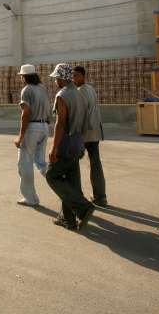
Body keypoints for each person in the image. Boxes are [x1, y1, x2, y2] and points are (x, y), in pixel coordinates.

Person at [45, 63, 95, 230]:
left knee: (52, 176)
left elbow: (60, 124)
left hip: (65, 143)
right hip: (78, 143)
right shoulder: (79, 93)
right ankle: (68, 219)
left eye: (56, 78)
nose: (55, 81)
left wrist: (54, 148)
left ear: (62, 78)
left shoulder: (63, 95)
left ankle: (83, 207)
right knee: (71, 183)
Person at [14, 64, 50, 206]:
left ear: (24, 76)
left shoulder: (26, 90)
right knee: (41, 163)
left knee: (25, 163)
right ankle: (60, 182)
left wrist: (20, 137)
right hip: (44, 126)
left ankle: (30, 198)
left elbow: (26, 115)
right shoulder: (42, 88)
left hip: (33, 128)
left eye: (21, 76)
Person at [72, 66, 107, 206]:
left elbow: (80, 115)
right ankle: (100, 196)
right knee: (95, 163)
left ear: (83, 76)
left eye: (76, 76)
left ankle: (78, 198)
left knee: (73, 165)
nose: (74, 78)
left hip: (84, 132)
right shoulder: (90, 88)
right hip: (95, 131)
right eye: (72, 76)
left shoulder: (79, 91)